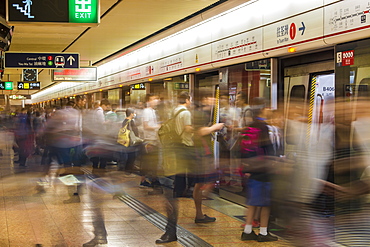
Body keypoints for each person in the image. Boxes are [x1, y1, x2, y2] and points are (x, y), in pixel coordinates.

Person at [240, 98, 278, 242]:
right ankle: (263, 232)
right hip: (264, 169)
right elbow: (269, 149)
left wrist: (247, 167)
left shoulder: (250, 126)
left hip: (252, 169)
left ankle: (248, 230)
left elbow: (243, 149)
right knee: (266, 203)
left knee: (253, 202)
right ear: (263, 109)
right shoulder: (264, 127)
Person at [192, 90, 224, 223]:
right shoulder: (199, 114)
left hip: (202, 151)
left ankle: (199, 213)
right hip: (200, 153)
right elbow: (197, 132)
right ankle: (199, 213)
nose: (214, 100)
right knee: (203, 182)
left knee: (202, 182)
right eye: (211, 97)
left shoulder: (204, 113)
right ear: (205, 98)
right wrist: (213, 128)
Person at [140, 93, 162, 191]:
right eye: (153, 99)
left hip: (155, 140)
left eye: (156, 99)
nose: (156, 101)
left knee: (153, 161)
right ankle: (144, 180)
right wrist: (157, 127)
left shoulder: (154, 111)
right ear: (148, 101)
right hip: (149, 141)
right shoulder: (146, 111)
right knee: (148, 162)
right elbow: (146, 126)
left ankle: (154, 179)